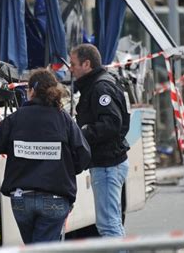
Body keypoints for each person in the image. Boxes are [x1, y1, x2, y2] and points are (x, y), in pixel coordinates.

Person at [0, 68, 91, 244]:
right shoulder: (64, 120)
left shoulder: (16, 119)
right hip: (55, 199)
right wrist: (63, 170)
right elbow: (83, 155)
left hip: (22, 201)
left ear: (31, 91)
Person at [69, 43, 130, 237]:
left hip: (107, 165)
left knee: (108, 225)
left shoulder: (100, 87)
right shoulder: (100, 84)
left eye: (73, 64)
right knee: (112, 223)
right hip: (108, 162)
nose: (70, 69)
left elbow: (112, 123)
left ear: (86, 64)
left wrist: (81, 133)